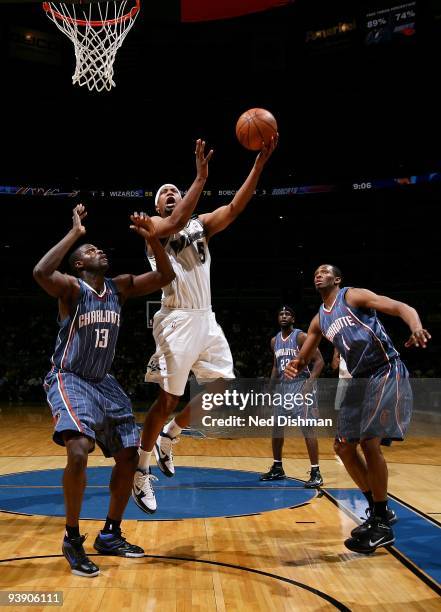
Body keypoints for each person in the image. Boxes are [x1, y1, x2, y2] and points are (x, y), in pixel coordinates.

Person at [131, 135, 278, 514]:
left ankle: (171, 435)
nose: (169, 194)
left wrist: (259, 164)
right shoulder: (154, 229)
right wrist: (200, 177)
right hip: (176, 319)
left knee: (224, 386)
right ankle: (141, 469)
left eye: (174, 191)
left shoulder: (200, 225)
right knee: (168, 399)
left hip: (206, 318)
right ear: (156, 206)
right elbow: (176, 220)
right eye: (163, 193)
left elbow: (234, 206)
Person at [33, 204, 175, 577]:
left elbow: (165, 274)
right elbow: (40, 272)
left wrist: (153, 239)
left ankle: (110, 533)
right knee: (78, 450)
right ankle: (71, 537)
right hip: (70, 377)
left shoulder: (120, 286)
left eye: (98, 248)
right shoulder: (70, 288)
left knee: (128, 457)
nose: (100, 252)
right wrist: (75, 234)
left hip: (104, 383)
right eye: (91, 251)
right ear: (79, 264)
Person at [285, 264, 431, 554]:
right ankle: (380, 511)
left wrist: (415, 326)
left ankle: (380, 523)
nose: (318, 274)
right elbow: (304, 356)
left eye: (325, 271)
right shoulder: (319, 321)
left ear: (337, 280)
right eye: (316, 272)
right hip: (359, 380)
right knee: (342, 447)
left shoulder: (352, 296)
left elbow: (400, 306)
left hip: (385, 369)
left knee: (369, 441)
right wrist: (295, 364)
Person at [260, 306, 325, 487]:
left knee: (307, 429)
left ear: (293, 319)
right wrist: (270, 389)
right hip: (283, 388)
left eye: (287, 314)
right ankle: (278, 467)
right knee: (276, 428)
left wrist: (308, 385)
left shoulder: (301, 337)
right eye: (281, 313)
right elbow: (275, 366)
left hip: (300, 385)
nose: (283, 316)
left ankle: (316, 471)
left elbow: (319, 361)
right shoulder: (274, 341)